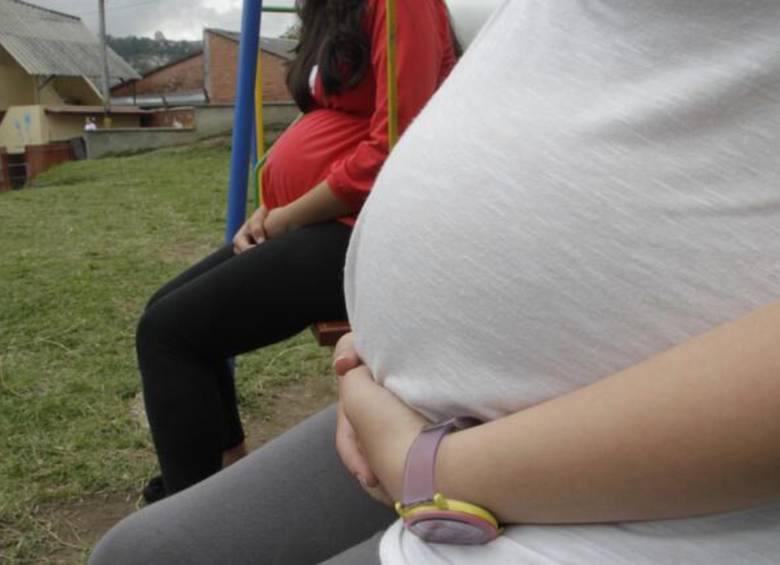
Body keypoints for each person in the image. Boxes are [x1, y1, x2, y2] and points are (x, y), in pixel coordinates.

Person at [91, 0, 780, 563]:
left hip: (597, 484)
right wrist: (395, 331)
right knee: (138, 544)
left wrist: (430, 465)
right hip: (405, 398)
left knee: (174, 333)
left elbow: (389, 138)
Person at [135, 0, 459, 502]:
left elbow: (395, 144)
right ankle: (220, 467)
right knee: (163, 313)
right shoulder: (338, 11)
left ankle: (190, 512)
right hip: (320, 220)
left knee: (169, 334)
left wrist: (288, 215)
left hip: (368, 234)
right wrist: (270, 210)